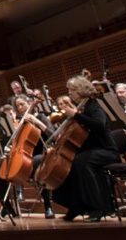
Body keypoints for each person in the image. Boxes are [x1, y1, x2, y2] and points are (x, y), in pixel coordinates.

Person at [50, 76, 117, 222]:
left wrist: (76, 115)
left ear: (81, 90)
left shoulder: (93, 105)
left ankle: (97, 208)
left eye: (72, 90)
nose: (69, 93)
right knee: (68, 164)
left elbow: (99, 125)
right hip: (90, 150)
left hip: (105, 149)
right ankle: (75, 206)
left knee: (82, 162)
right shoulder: (82, 107)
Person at [0, 95, 55, 219]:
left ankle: (48, 205)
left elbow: (54, 136)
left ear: (29, 103)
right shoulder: (17, 121)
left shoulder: (40, 117)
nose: (20, 107)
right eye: (17, 106)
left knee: (38, 160)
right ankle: (7, 206)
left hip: (36, 154)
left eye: (22, 104)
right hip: (19, 154)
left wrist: (37, 122)